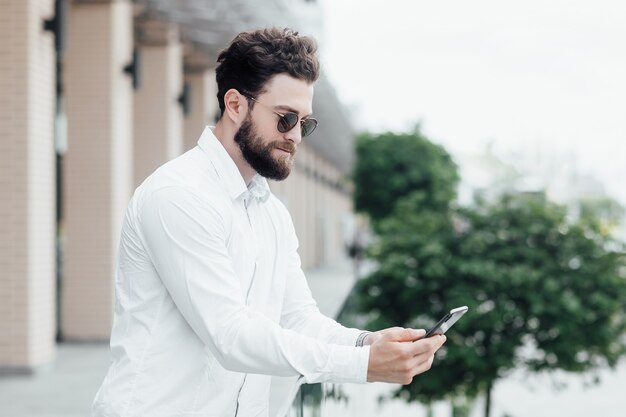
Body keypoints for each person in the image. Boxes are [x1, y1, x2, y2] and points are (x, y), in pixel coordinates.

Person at [91, 27, 446, 417]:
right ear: (235, 105)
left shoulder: (270, 212)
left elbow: (298, 319)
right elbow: (229, 335)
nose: (295, 136)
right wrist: (362, 366)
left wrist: (366, 343)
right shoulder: (178, 195)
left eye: (304, 123)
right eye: (284, 118)